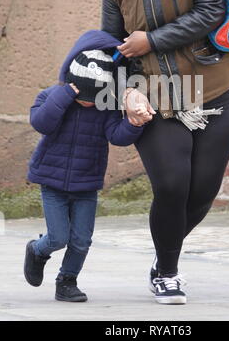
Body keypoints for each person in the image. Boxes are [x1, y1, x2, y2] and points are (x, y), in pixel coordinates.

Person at [99, 0, 229, 305]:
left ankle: (164, 256)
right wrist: (125, 90)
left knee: (201, 193)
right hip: (157, 93)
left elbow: (211, 10)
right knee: (172, 185)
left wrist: (152, 39)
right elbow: (110, 44)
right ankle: (167, 272)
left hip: (214, 89)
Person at [24, 30, 151, 302]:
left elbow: (116, 137)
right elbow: (41, 123)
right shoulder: (52, 96)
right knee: (58, 238)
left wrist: (133, 123)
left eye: (97, 95)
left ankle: (67, 281)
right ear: (73, 82)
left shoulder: (104, 107)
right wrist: (65, 93)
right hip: (52, 183)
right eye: (85, 93)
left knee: (81, 240)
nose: (89, 101)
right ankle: (37, 250)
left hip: (87, 183)